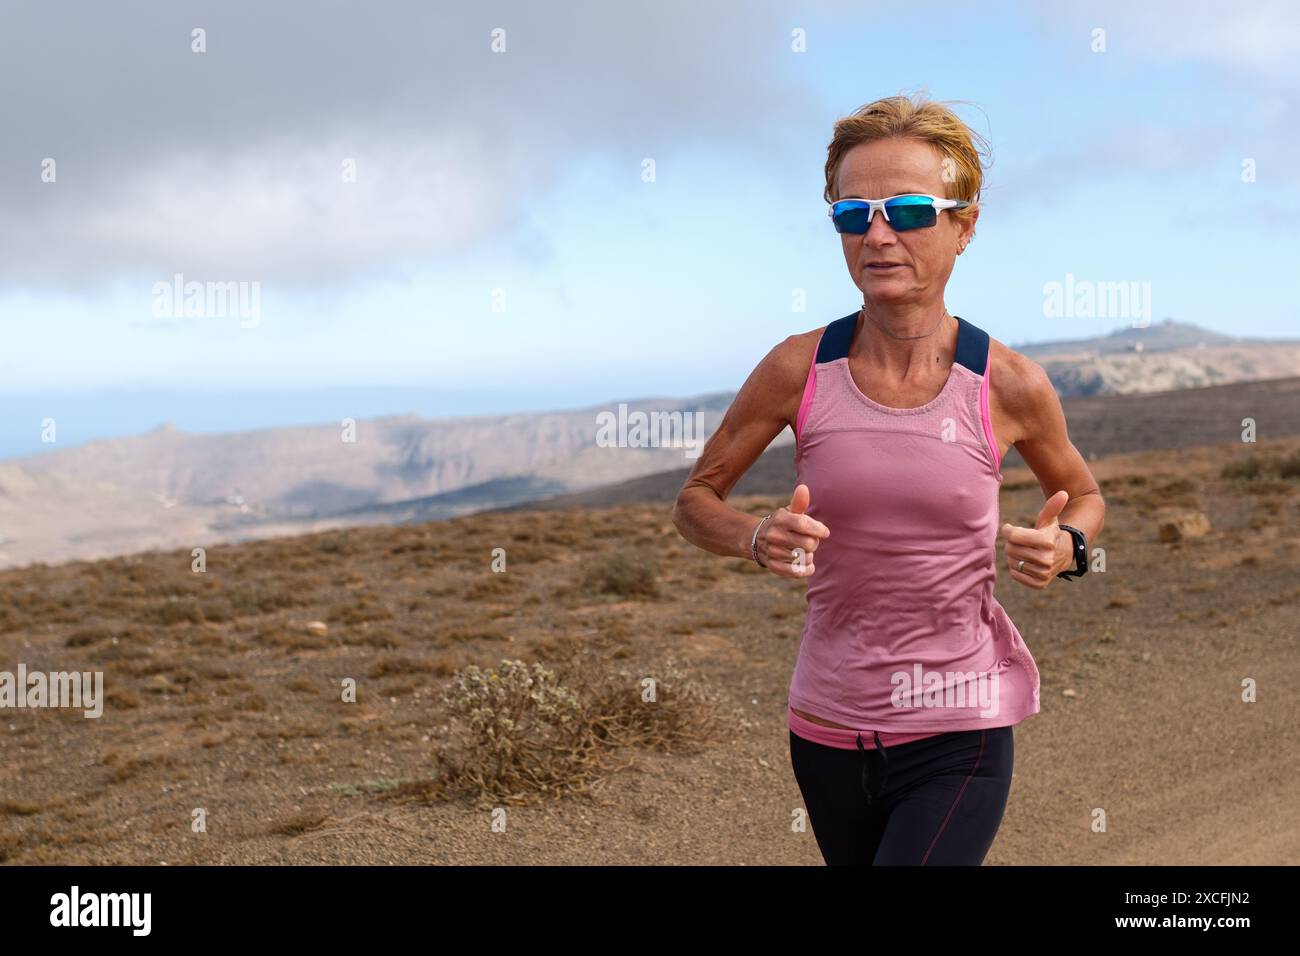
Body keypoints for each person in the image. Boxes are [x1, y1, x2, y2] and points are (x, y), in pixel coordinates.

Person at [671, 93, 1105, 865]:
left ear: (964, 226)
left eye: (907, 211)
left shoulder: (1008, 383)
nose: (877, 234)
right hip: (827, 728)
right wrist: (756, 537)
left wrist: (1067, 545)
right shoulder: (796, 368)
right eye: (852, 213)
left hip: (960, 729)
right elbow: (697, 501)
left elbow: (1088, 496)